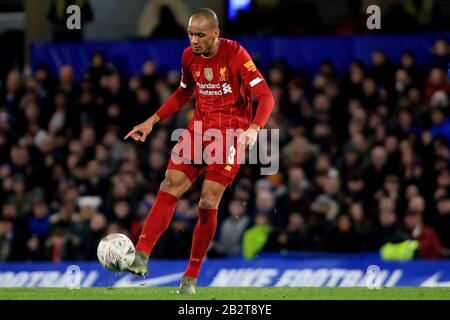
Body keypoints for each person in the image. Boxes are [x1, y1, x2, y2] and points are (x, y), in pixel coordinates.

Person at [123, 8, 274, 294]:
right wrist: (152, 121)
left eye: (200, 35)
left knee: (207, 202)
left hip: (230, 134)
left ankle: (190, 276)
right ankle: (141, 253)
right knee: (170, 184)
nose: (194, 40)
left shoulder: (236, 55)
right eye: (191, 34)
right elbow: (184, 92)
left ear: (216, 34)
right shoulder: (188, 56)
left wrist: (254, 128)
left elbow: (266, 96)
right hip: (199, 130)